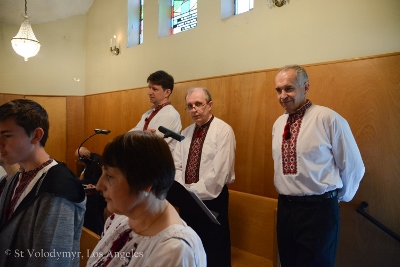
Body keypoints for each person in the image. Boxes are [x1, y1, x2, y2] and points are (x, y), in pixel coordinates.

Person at [272, 65, 365, 267]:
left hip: (319, 211)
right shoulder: (279, 123)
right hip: (286, 209)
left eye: (289, 88)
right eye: (278, 90)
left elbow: (353, 166)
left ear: (305, 87)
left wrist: (335, 198)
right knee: (288, 262)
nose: (282, 95)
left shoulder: (328, 118)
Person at [86, 131, 206, 267]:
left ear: (146, 183)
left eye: (110, 176)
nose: (99, 186)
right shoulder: (120, 219)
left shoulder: (174, 249)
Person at [0, 99, 86, 266]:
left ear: (36, 135)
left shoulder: (58, 188)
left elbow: (50, 260)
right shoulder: (19, 175)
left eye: (7, 136)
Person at [172, 87, 236, 267]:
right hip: (187, 201)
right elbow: (176, 166)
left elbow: (218, 174)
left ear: (210, 105)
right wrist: (184, 193)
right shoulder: (185, 133)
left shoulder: (223, 130)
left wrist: (189, 193)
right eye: (190, 106)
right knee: (191, 248)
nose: (194, 109)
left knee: (215, 250)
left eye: (198, 104)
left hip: (212, 199)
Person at [129, 70, 182, 152]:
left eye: (154, 89)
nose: (149, 92)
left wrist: (140, 135)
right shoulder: (147, 114)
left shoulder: (170, 115)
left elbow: (151, 144)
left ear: (167, 92)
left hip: (160, 163)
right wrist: (143, 134)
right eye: (149, 88)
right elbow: (129, 135)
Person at [75, 147, 106, 235]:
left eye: (78, 160)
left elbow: (93, 180)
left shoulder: (96, 162)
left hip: (98, 197)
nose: (77, 162)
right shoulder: (86, 163)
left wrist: (78, 181)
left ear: (84, 157)